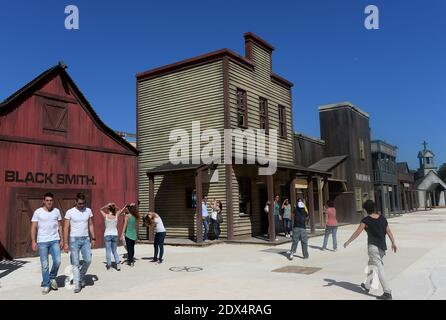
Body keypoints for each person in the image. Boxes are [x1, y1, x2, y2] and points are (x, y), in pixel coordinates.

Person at [344, 200, 397, 300]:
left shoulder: (366, 220)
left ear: (366, 210)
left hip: (373, 247)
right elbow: (388, 230)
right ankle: (367, 285)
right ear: (374, 207)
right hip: (382, 247)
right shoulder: (382, 218)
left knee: (379, 268)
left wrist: (348, 241)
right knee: (371, 265)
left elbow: (357, 232)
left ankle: (387, 292)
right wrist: (393, 242)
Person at [30, 192, 63, 294]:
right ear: (43, 201)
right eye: (47, 200)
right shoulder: (38, 212)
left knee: (57, 261)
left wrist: (62, 239)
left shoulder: (56, 211)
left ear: (53, 201)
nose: (49, 202)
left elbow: (60, 226)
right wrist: (33, 241)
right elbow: (33, 227)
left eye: (51, 200)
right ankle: (46, 284)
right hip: (42, 241)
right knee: (44, 265)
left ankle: (52, 277)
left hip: (54, 240)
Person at [64, 192, 96, 293]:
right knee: (75, 263)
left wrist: (93, 238)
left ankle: (81, 276)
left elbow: (90, 224)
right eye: (80, 204)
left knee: (88, 260)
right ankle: (77, 284)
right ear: (75, 202)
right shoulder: (70, 212)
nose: (82, 205)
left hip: (86, 239)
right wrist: (65, 243)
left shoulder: (88, 211)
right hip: (74, 240)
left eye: (83, 203)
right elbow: (66, 227)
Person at [100, 203, 126, 271]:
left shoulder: (106, 216)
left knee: (108, 251)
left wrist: (106, 205)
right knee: (114, 251)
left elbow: (100, 209)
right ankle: (118, 264)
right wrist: (115, 205)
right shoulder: (116, 215)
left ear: (108, 209)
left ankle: (109, 266)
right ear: (114, 209)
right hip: (115, 234)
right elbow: (120, 210)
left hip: (107, 234)